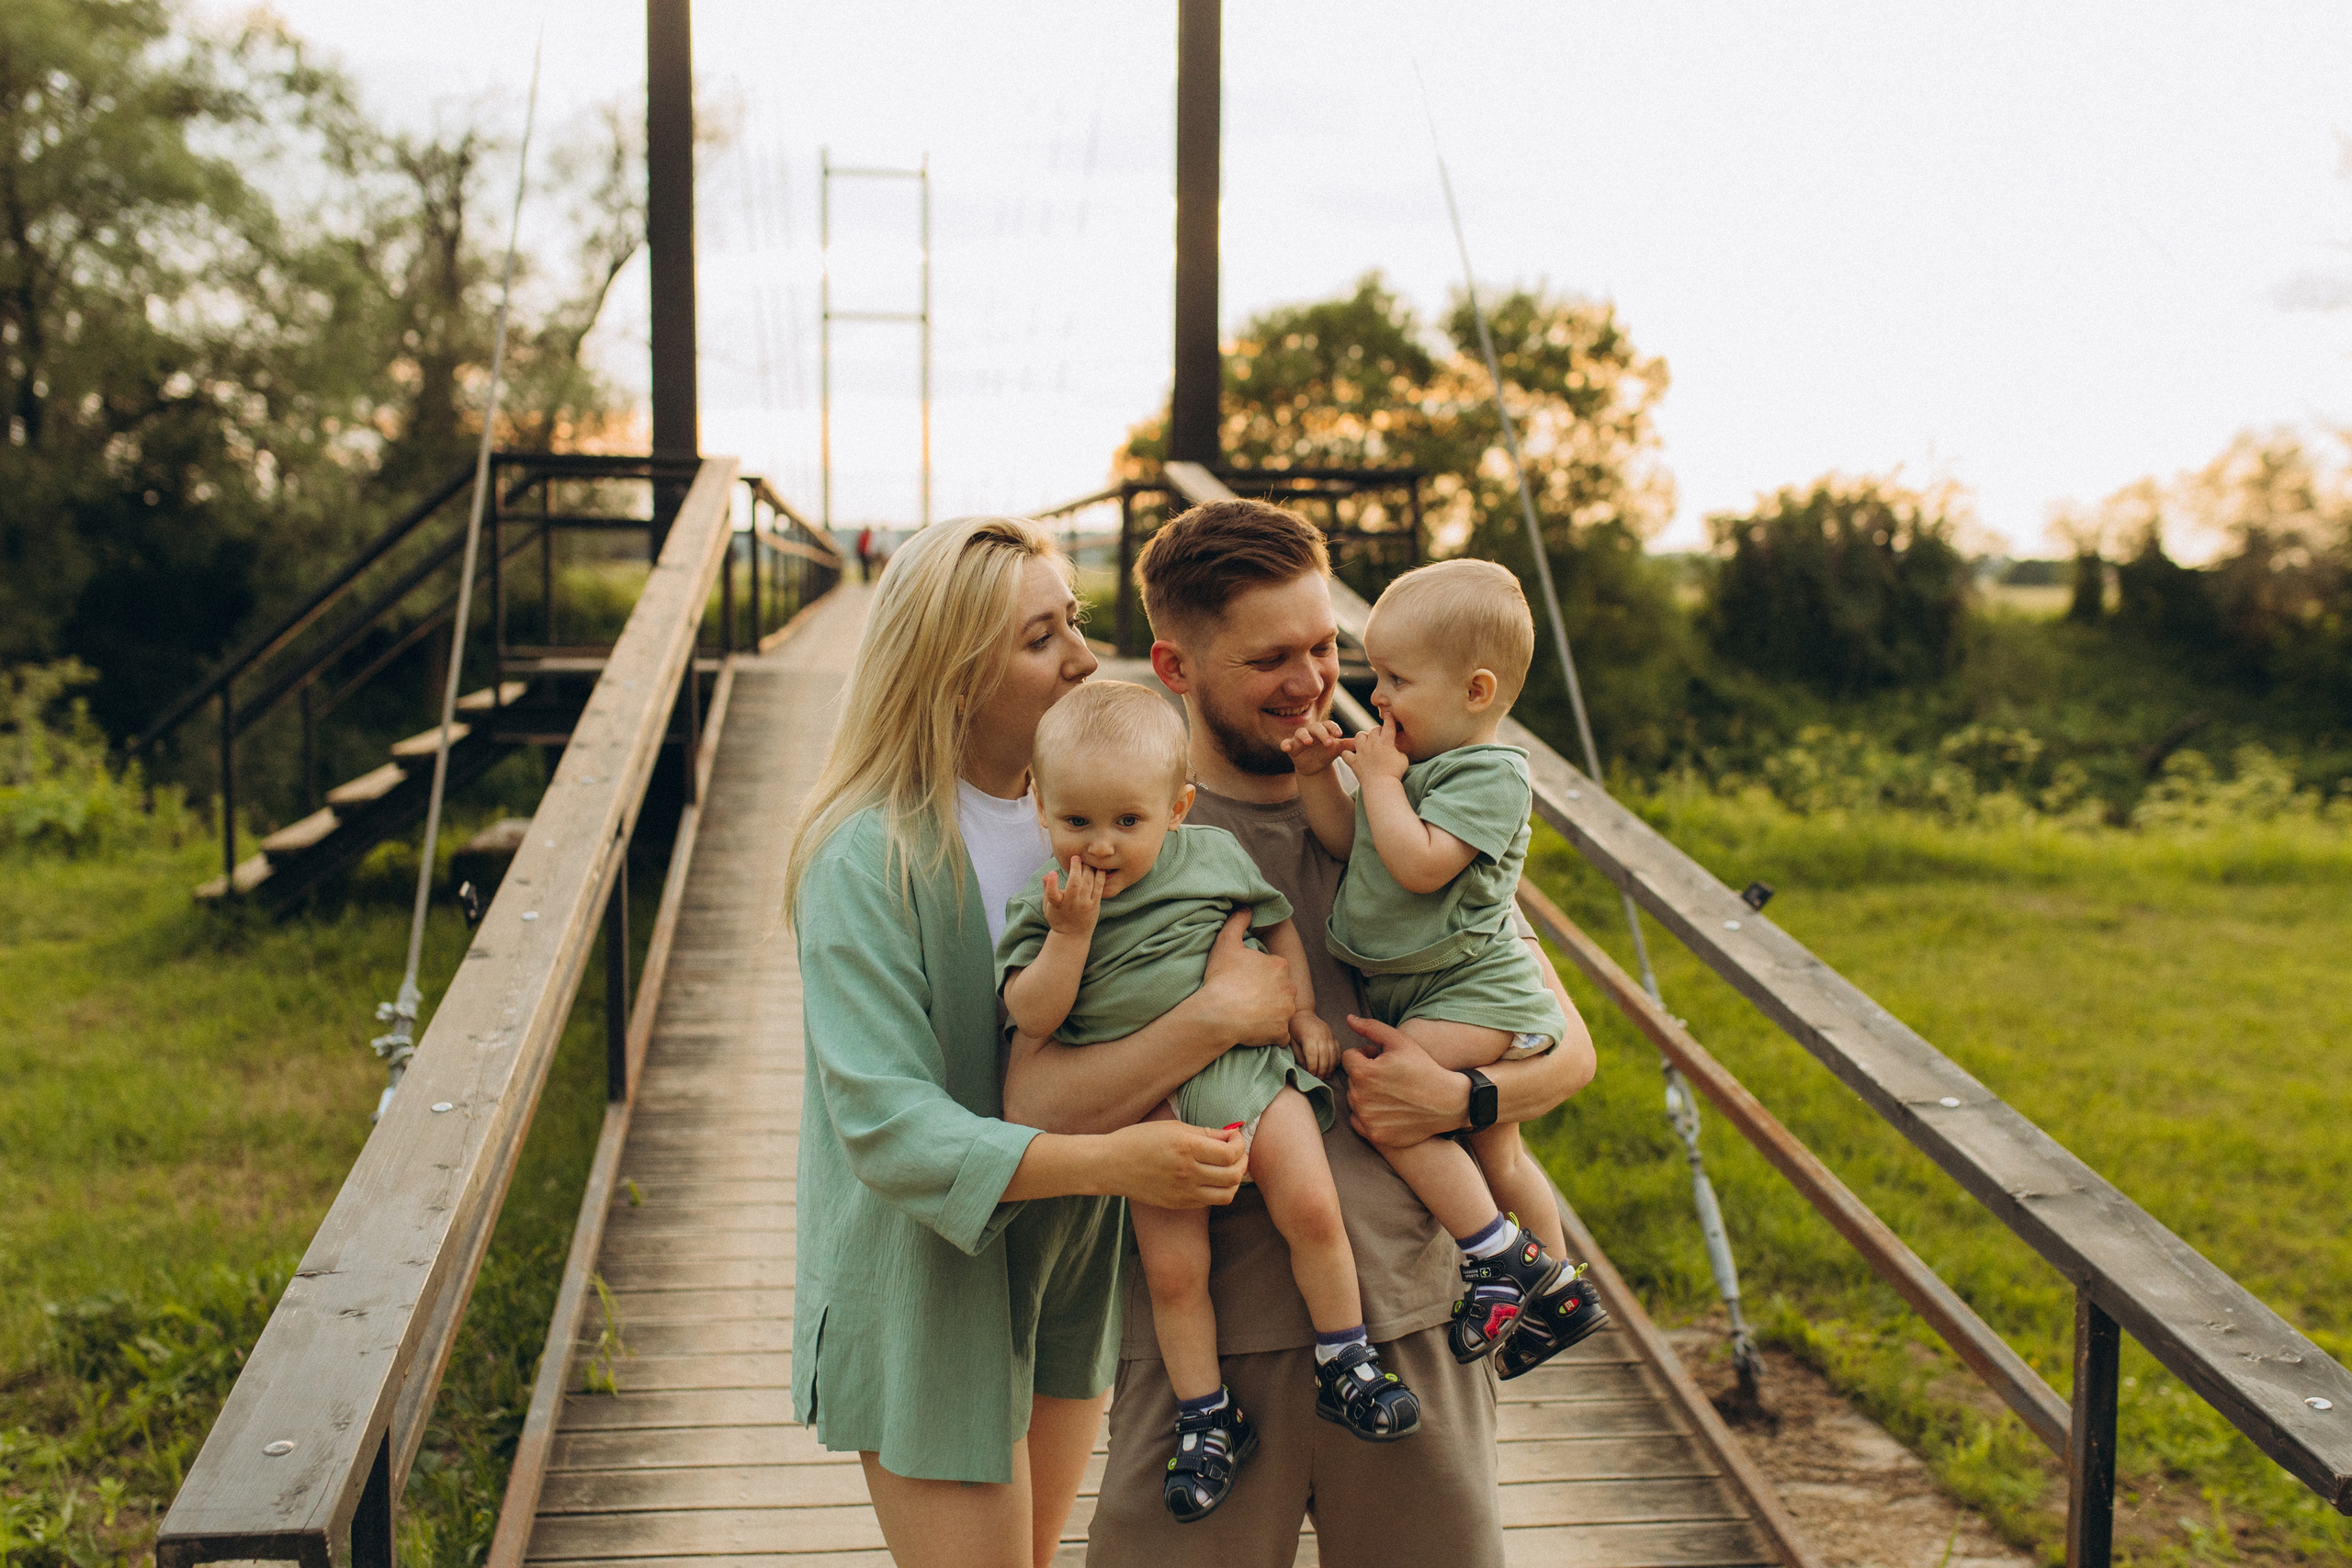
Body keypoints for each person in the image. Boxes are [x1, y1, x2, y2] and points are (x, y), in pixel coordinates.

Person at [1001, 499, 1599, 1568]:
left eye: (1327, 646)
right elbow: (1033, 1107)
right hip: (1206, 1358)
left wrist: (1465, 1101)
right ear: (1175, 670)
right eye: (1272, 657)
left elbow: (1566, 1047)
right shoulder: (1119, 840)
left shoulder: (1411, 804)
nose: (1315, 681)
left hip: (1415, 1322)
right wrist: (1214, 1018)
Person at [786, 515, 1299, 1568]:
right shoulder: (865, 856)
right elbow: (886, 1128)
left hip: (1069, 1273)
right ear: (949, 667)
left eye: (1074, 621)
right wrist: (1125, 1150)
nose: (1082, 658)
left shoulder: (1089, 817)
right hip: (931, 1288)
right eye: (1038, 639)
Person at [997, 682, 1417, 1529]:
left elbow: (1275, 925)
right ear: (1040, 806)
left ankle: (1347, 1355)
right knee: (1174, 1272)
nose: (1103, 846)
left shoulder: (1214, 856)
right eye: (1077, 822)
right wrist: (1070, 936)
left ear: (1177, 807)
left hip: (1247, 1071)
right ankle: (1205, 1412)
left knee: (1311, 1202)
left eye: (1128, 821)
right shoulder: (1045, 902)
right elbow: (1032, 1015)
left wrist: (1300, 1009)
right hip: (1144, 1111)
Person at [1283, 558, 1609, 1377]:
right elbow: (1347, 842)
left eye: (1396, 678)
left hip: (1476, 991)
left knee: (1388, 1099)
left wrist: (1382, 781)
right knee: (1499, 1158)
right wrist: (1320, 774)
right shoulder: (1423, 770)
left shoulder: (1493, 777)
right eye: (1375, 674)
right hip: (1440, 986)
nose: (1377, 695)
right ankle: (1563, 1295)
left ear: (1475, 690)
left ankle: (1496, 1253)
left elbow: (1420, 862)